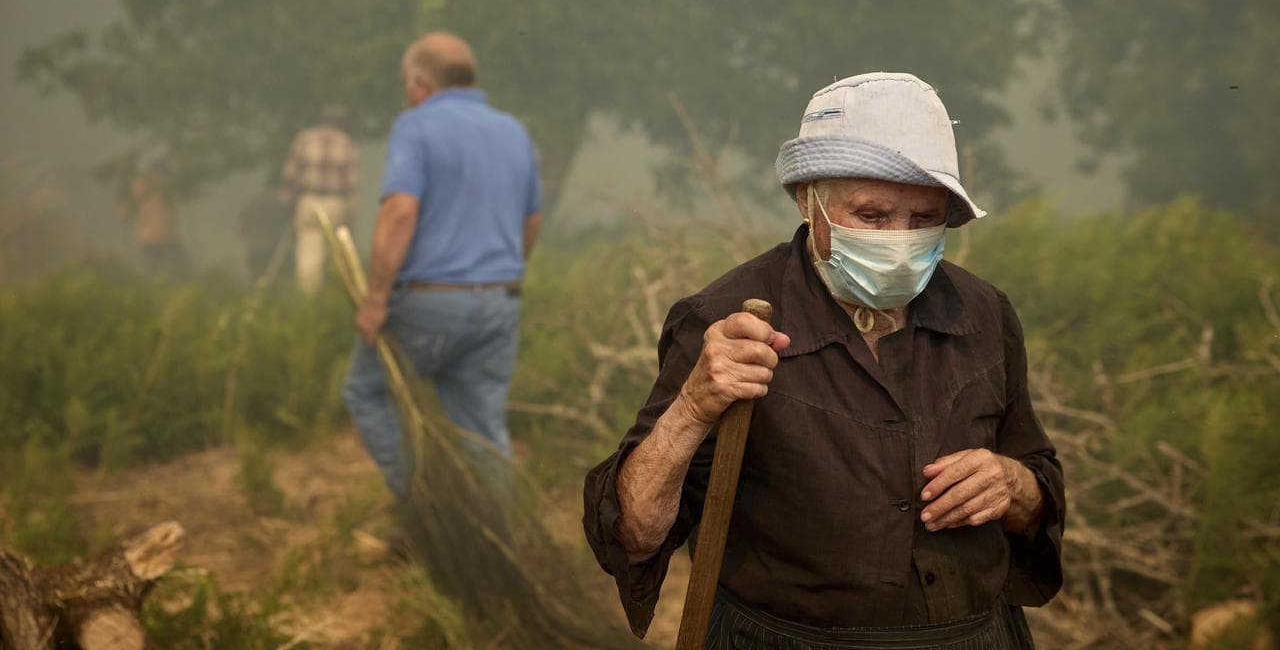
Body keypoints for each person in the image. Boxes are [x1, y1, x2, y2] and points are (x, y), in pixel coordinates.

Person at [583, 73, 1064, 649]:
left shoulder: (984, 314)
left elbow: (1038, 483)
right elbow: (634, 534)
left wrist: (1014, 485)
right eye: (873, 215)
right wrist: (692, 406)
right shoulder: (726, 322)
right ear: (807, 199)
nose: (900, 240)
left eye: (923, 219)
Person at [343, 32, 542, 499]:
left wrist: (375, 300)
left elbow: (399, 212)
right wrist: (500, 277)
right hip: (500, 301)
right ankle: (495, 538)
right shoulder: (513, 131)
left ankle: (426, 507)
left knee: (367, 392)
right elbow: (530, 220)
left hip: (431, 303)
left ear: (418, 83)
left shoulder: (416, 126)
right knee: (481, 429)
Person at [283, 103, 360, 294]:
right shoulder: (346, 143)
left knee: (309, 253)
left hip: (309, 200)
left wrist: (291, 203)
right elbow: (351, 184)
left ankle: (309, 297)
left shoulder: (304, 139)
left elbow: (291, 176)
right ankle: (337, 293)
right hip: (336, 201)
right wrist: (352, 212)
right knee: (338, 253)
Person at [126, 149, 187, 276]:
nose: (164, 177)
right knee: (152, 272)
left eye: (165, 174)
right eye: (160, 173)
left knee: (183, 269)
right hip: (150, 240)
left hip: (169, 239)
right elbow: (131, 203)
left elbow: (180, 198)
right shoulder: (143, 187)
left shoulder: (168, 191)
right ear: (153, 173)